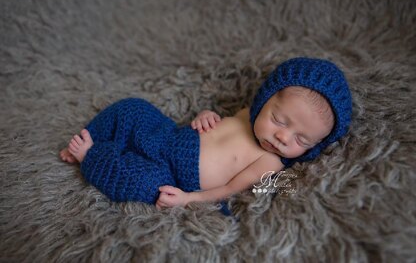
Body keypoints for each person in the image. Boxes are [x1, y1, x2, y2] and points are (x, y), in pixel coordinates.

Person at [60, 57, 352, 210]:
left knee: (140, 184)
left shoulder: (270, 163)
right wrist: (205, 117)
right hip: (170, 137)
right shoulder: (246, 114)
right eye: (278, 120)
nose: (283, 138)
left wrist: (188, 200)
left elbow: (229, 191)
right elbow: (216, 125)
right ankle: (94, 135)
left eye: (302, 140)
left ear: (313, 147)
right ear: (265, 100)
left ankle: (90, 155)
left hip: (173, 176)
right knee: (133, 109)